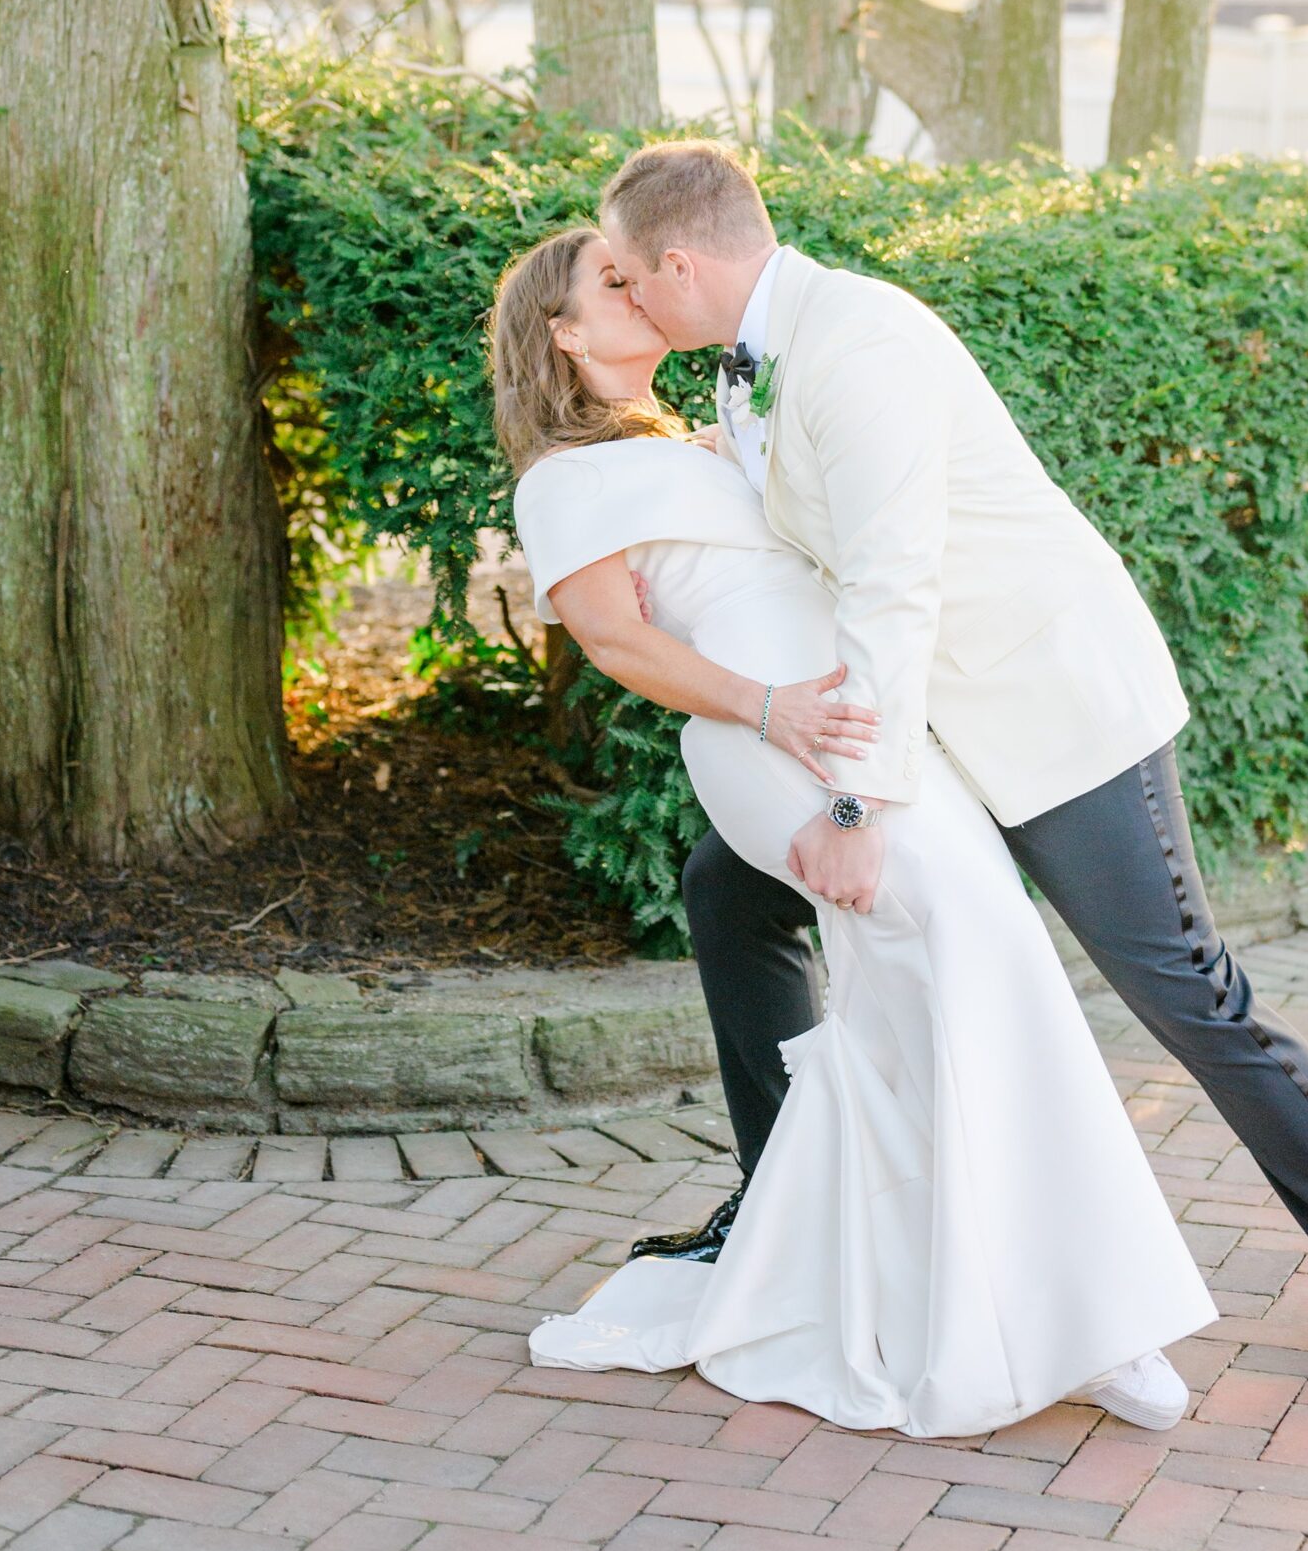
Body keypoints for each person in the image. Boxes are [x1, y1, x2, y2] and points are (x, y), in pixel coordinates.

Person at [598, 140, 1308, 1405]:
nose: (623, 298)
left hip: (1055, 710)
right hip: (934, 725)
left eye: (624, 275)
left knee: (1184, 993)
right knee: (730, 886)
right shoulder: (745, 376)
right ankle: (780, 1218)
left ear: (679, 260)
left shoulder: (859, 342)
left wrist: (851, 803)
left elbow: (894, 582)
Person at [493, 223, 1216, 1441]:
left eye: (636, 269)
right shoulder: (560, 478)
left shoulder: (704, 432)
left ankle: (964, 1293)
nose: (636, 290)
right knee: (967, 964)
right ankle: (1080, 1322)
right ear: (560, 333)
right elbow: (618, 644)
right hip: (770, 743)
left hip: (865, 742)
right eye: (606, 285)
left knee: (963, 976)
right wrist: (772, 711)